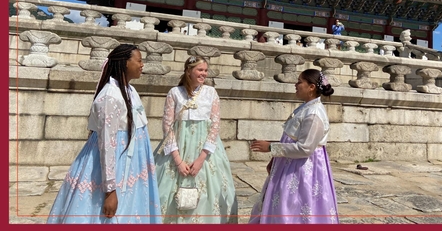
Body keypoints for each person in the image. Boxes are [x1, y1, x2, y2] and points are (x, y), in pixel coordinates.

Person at [47, 44, 162, 224]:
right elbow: (108, 145)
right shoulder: (110, 97)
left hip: (132, 166)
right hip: (114, 165)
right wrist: (110, 191)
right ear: (124, 63)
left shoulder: (129, 90)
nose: (142, 65)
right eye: (139, 60)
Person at [153, 56, 237, 224]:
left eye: (205, 70)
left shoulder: (211, 93)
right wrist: (177, 159)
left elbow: (214, 126)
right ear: (189, 71)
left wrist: (200, 159)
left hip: (204, 151)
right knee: (166, 194)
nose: (203, 74)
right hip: (177, 147)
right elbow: (167, 126)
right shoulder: (175, 93)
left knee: (208, 193)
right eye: (200, 70)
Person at [248, 69, 339, 224]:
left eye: (299, 82)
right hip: (289, 164)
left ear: (311, 87)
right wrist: (275, 159)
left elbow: (305, 149)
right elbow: (291, 138)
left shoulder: (314, 114)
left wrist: (271, 147)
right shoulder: (305, 108)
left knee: (294, 206)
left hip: (301, 170)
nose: (295, 85)